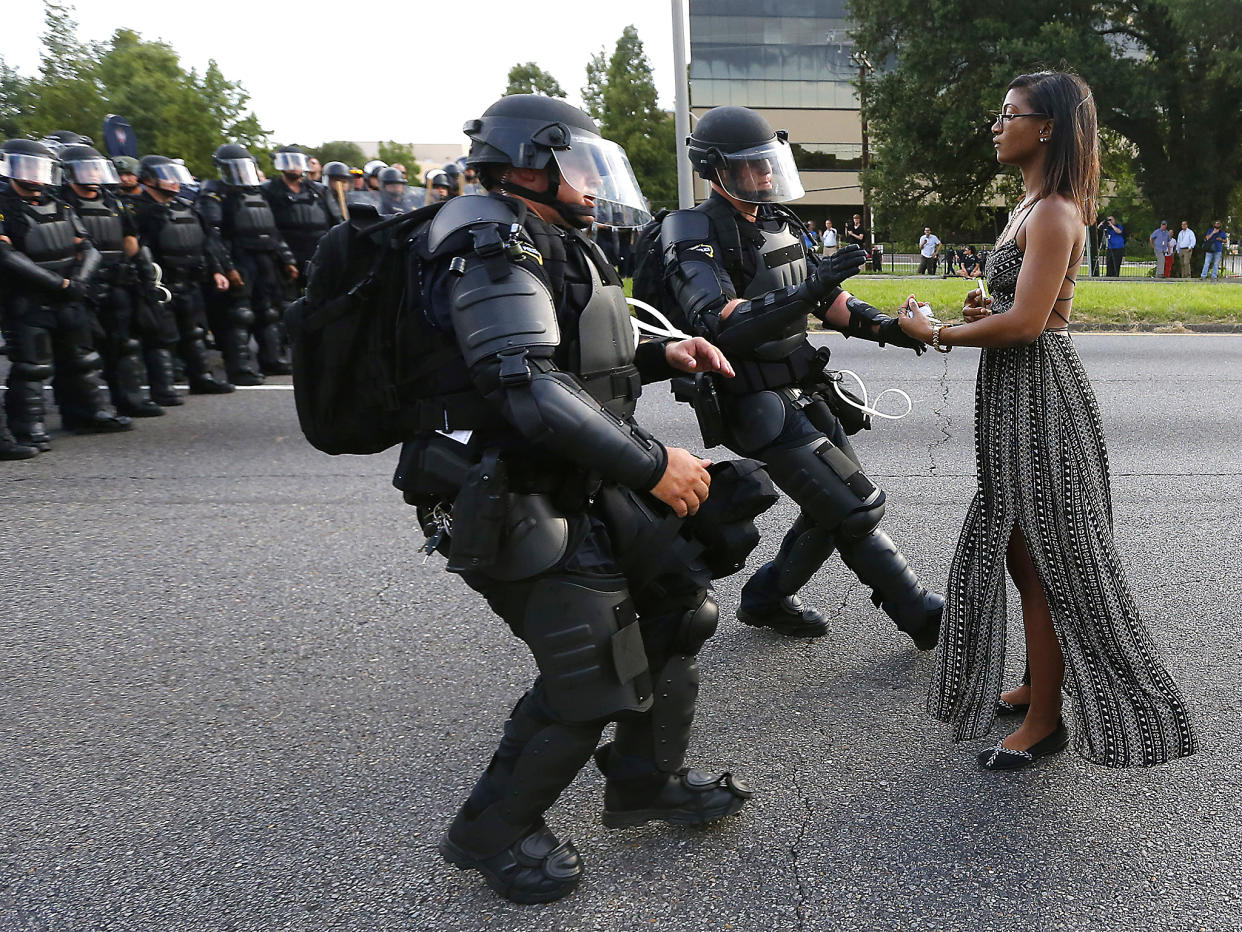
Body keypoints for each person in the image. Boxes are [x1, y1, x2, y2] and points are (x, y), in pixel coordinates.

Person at [372, 94, 753, 904]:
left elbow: (573, 356)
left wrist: (661, 354)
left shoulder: (544, 235)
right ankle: (491, 832)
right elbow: (525, 386)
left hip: (574, 475)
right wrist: (655, 467)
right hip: (505, 492)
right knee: (593, 671)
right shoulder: (486, 240)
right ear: (527, 163)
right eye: (577, 160)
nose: (591, 179)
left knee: (679, 605)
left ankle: (645, 780)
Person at [899, 71, 1196, 770]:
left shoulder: (1057, 211)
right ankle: (1039, 681)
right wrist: (982, 312)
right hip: (1014, 395)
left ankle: (1046, 720)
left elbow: (1030, 325)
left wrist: (934, 330)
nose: (998, 125)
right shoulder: (1028, 206)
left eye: (1010, 114)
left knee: (1047, 561)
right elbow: (1014, 309)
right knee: (1017, 548)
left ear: (1049, 127)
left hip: (1041, 397)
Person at [658, 105, 943, 646]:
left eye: (769, 162)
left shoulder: (776, 222)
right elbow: (716, 321)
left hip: (802, 385)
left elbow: (828, 299)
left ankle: (765, 597)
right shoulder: (690, 228)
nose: (765, 174)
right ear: (715, 170)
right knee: (854, 506)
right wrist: (811, 292)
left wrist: (892, 330)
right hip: (749, 397)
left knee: (834, 506)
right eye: (751, 166)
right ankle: (923, 616)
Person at [0, 139, 133, 451]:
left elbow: (87, 246)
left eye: (38, 167)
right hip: (27, 298)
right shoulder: (4, 207)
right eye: (27, 167)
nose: (34, 175)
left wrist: (78, 281)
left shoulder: (60, 204)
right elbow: (6, 256)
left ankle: (88, 413)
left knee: (82, 358)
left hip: (69, 294)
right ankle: (28, 427)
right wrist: (57, 284)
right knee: (33, 366)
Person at [60, 144, 175, 416]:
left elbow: (130, 240)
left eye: (94, 167)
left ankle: (129, 400)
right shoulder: (62, 201)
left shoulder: (113, 200)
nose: (92, 174)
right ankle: (84, 411)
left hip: (117, 281)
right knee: (82, 351)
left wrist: (140, 275)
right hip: (81, 285)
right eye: (85, 168)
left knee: (124, 343)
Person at [130, 154, 235, 394]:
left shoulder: (186, 207)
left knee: (194, 332)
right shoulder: (137, 210)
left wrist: (217, 271)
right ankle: (163, 388)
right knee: (160, 337)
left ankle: (202, 378)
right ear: (148, 179)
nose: (174, 182)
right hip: (160, 284)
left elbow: (207, 243)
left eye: (175, 176)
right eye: (167, 177)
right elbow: (134, 247)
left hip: (190, 280)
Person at [199, 143, 299, 380]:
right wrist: (227, 267)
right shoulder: (215, 193)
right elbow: (213, 235)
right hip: (238, 256)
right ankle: (240, 368)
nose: (240, 172)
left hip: (265, 258)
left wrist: (287, 259)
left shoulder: (258, 193)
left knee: (270, 311)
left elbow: (272, 230)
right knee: (239, 314)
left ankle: (272, 359)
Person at [261, 145, 336, 288]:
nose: (293, 166)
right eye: (287, 162)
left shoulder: (319, 190)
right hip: (285, 252)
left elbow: (336, 220)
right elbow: (267, 225)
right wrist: (285, 257)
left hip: (318, 251)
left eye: (296, 162)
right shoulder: (268, 190)